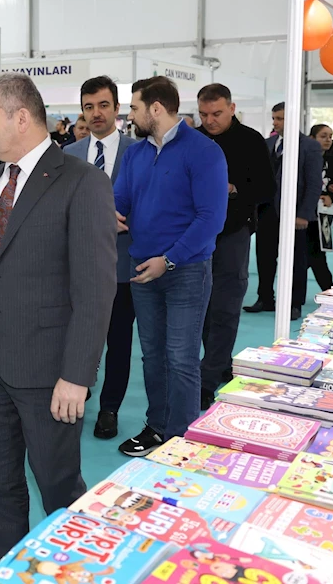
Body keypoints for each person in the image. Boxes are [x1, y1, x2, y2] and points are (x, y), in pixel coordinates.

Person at [0, 72, 117, 564]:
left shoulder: (83, 182)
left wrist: (77, 375)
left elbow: (95, 290)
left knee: (58, 486)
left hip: (48, 368)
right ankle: (8, 568)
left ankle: (72, 570)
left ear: (20, 118)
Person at [114, 76, 227, 457]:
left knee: (180, 358)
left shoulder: (204, 152)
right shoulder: (135, 154)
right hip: (142, 270)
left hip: (186, 271)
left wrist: (170, 259)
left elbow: (211, 218)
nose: (130, 115)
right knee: (153, 355)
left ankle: (182, 439)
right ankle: (157, 426)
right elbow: (120, 201)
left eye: (134, 108)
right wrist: (108, 213)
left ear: (156, 108)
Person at [64, 75, 136, 441]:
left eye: (103, 105)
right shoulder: (68, 155)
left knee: (119, 342)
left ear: (117, 108)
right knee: (77, 336)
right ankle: (80, 387)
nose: (96, 113)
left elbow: (151, 202)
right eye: (89, 107)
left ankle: (110, 408)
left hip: (123, 265)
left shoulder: (138, 152)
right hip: (77, 268)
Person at [196, 84, 275, 410]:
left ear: (232, 108)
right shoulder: (194, 140)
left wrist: (234, 188)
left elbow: (267, 188)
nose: (210, 120)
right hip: (197, 235)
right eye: (203, 114)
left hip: (233, 232)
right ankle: (220, 362)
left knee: (226, 306)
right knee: (202, 309)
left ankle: (207, 378)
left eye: (216, 113)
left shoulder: (251, 140)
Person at [243, 102, 323, 321]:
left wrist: (304, 214)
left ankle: (294, 303)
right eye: (274, 118)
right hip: (266, 211)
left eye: (280, 118)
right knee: (264, 257)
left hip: (294, 213)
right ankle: (265, 298)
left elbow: (314, 183)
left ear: (292, 119)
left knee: (296, 260)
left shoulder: (309, 146)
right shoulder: (268, 143)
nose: (275, 123)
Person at [307, 124, 333, 290]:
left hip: (323, 214)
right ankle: (328, 289)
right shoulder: (304, 159)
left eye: (330, 136)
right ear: (312, 138)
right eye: (323, 136)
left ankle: (328, 289)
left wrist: (332, 196)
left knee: (317, 253)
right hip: (305, 212)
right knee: (313, 255)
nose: (328, 140)